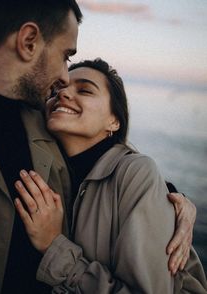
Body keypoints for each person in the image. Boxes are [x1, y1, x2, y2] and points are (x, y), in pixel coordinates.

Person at [15, 58, 207, 293]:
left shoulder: (137, 171)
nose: (63, 94)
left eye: (84, 89)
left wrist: (54, 246)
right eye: (56, 90)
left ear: (114, 121)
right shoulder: (54, 171)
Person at [0, 1, 82, 294]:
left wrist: (169, 198)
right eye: (65, 56)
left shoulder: (51, 122)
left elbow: (104, 165)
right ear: (28, 41)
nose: (65, 77)